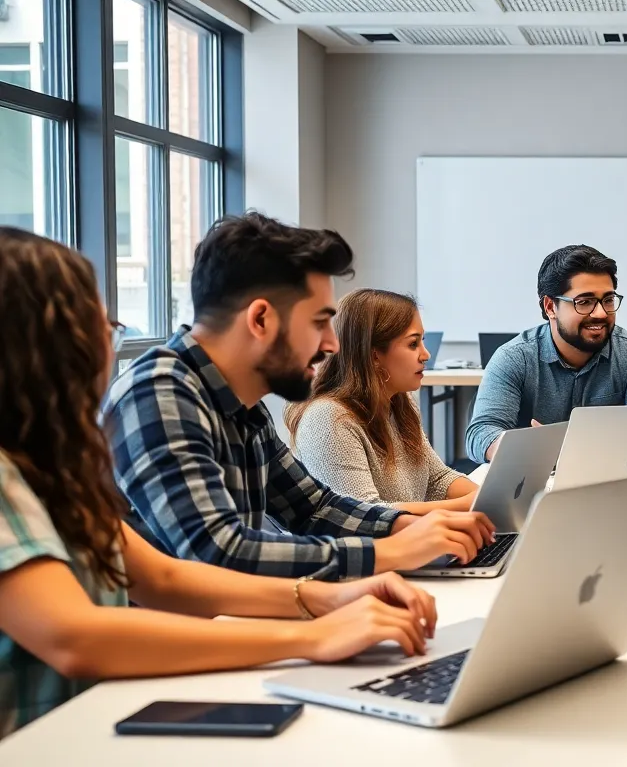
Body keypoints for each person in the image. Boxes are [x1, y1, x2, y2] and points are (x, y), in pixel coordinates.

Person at [0, 228, 441, 739]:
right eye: (104, 328)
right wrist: (313, 636)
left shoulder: (55, 467)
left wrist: (322, 599)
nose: (331, 344)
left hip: (95, 722)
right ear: (52, 351)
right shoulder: (148, 395)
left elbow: (164, 578)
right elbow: (76, 636)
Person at [102, 212, 492, 580]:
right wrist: (391, 552)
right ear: (260, 319)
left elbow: (314, 507)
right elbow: (219, 552)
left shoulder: (242, 404)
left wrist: (414, 528)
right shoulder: (160, 393)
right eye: (319, 322)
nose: (332, 344)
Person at [286, 289, 483, 515]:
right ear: (374, 355)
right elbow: (364, 515)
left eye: (422, 342)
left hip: (409, 542)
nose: (425, 354)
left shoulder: (397, 404)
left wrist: (488, 498)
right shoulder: (328, 419)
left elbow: (437, 479)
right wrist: (469, 505)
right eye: (412, 344)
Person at [464, 244, 627, 463]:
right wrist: (527, 448)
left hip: (607, 480)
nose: (600, 313)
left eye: (608, 300)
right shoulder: (515, 357)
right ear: (550, 307)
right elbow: (480, 434)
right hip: (532, 483)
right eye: (584, 302)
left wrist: (573, 448)